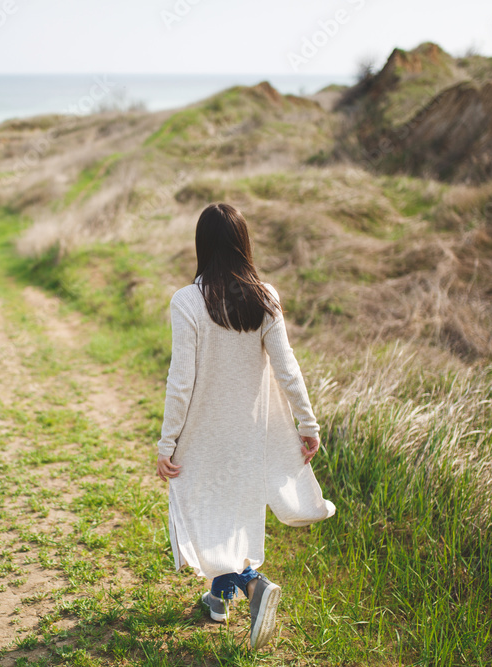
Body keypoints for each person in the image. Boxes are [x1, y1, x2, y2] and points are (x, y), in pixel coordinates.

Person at [155, 202, 337, 651]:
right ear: (243, 244)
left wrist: (168, 441)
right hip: (251, 432)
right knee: (231, 512)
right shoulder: (265, 296)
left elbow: (181, 381)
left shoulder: (188, 301)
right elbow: (287, 367)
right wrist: (307, 421)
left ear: (202, 245)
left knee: (202, 513)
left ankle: (255, 586)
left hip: (202, 432)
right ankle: (219, 602)